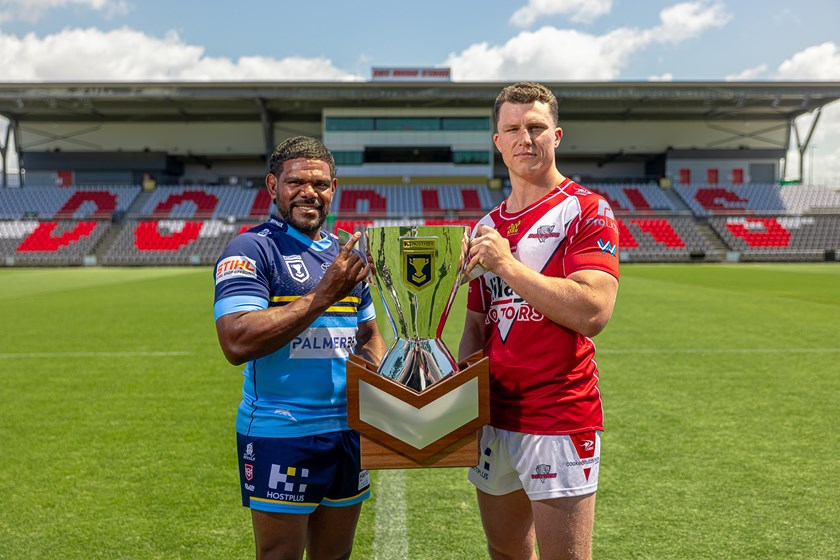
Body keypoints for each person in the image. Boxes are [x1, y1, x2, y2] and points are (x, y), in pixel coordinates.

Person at [459, 82, 620, 560]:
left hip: (559, 414)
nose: (524, 138)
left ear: (557, 135)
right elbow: (476, 327)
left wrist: (507, 266)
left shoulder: (587, 209)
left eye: (536, 127)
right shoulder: (485, 226)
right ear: (498, 141)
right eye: (512, 129)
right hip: (496, 416)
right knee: (505, 551)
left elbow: (593, 311)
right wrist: (464, 406)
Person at [213, 136, 386, 560]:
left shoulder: (345, 253)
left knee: (336, 555)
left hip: (348, 432)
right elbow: (236, 339)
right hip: (282, 432)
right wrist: (323, 295)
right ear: (273, 186)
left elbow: (368, 334)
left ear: (333, 188)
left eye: (320, 184)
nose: (309, 192)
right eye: (296, 183)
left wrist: (385, 386)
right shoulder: (253, 248)